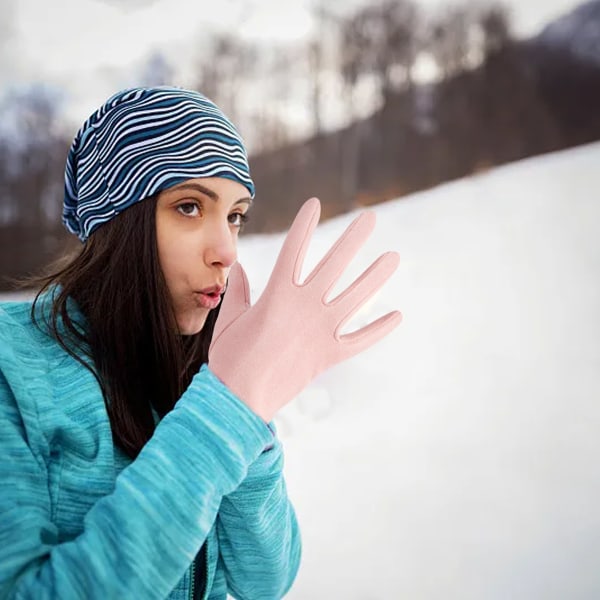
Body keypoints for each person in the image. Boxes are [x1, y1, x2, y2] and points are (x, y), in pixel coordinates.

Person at [0, 86, 401, 599]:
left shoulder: (207, 364)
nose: (226, 251)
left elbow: (264, 580)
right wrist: (223, 415)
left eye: (236, 216)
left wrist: (246, 408)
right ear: (116, 222)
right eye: (189, 207)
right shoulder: (14, 371)